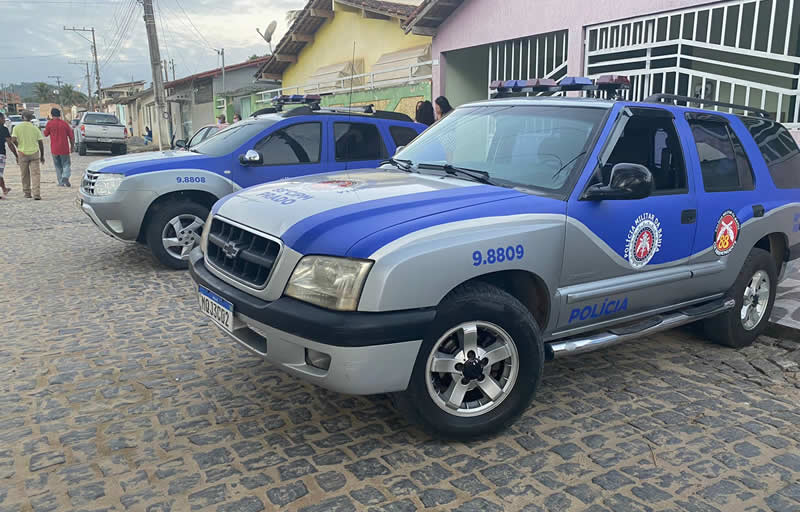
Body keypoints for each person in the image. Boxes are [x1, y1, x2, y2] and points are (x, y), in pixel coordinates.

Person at [10, 111, 45, 200]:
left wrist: (19, 146)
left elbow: (13, 140)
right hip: (34, 153)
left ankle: (27, 192)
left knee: (24, 174)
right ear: (31, 118)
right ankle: (36, 194)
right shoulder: (35, 128)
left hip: (22, 153)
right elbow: (40, 143)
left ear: (22, 117)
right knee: (36, 174)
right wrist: (42, 155)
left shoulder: (16, 128)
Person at [43, 108, 75, 187]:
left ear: (51, 114)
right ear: (60, 115)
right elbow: (72, 137)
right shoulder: (64, 124)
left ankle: (61, 182)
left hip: (54, 149)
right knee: (66, 164)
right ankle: (66, 176)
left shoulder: (49, 124)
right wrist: (72, 146)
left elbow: (45, 134)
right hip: (64, 148)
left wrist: (49, 122)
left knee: (58, 166)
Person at [0, 113, 18, 198]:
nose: (4, 120)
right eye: (3, 118)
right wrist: (16, 155)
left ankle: (4, 189)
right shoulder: (3, 129)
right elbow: (10, 144)